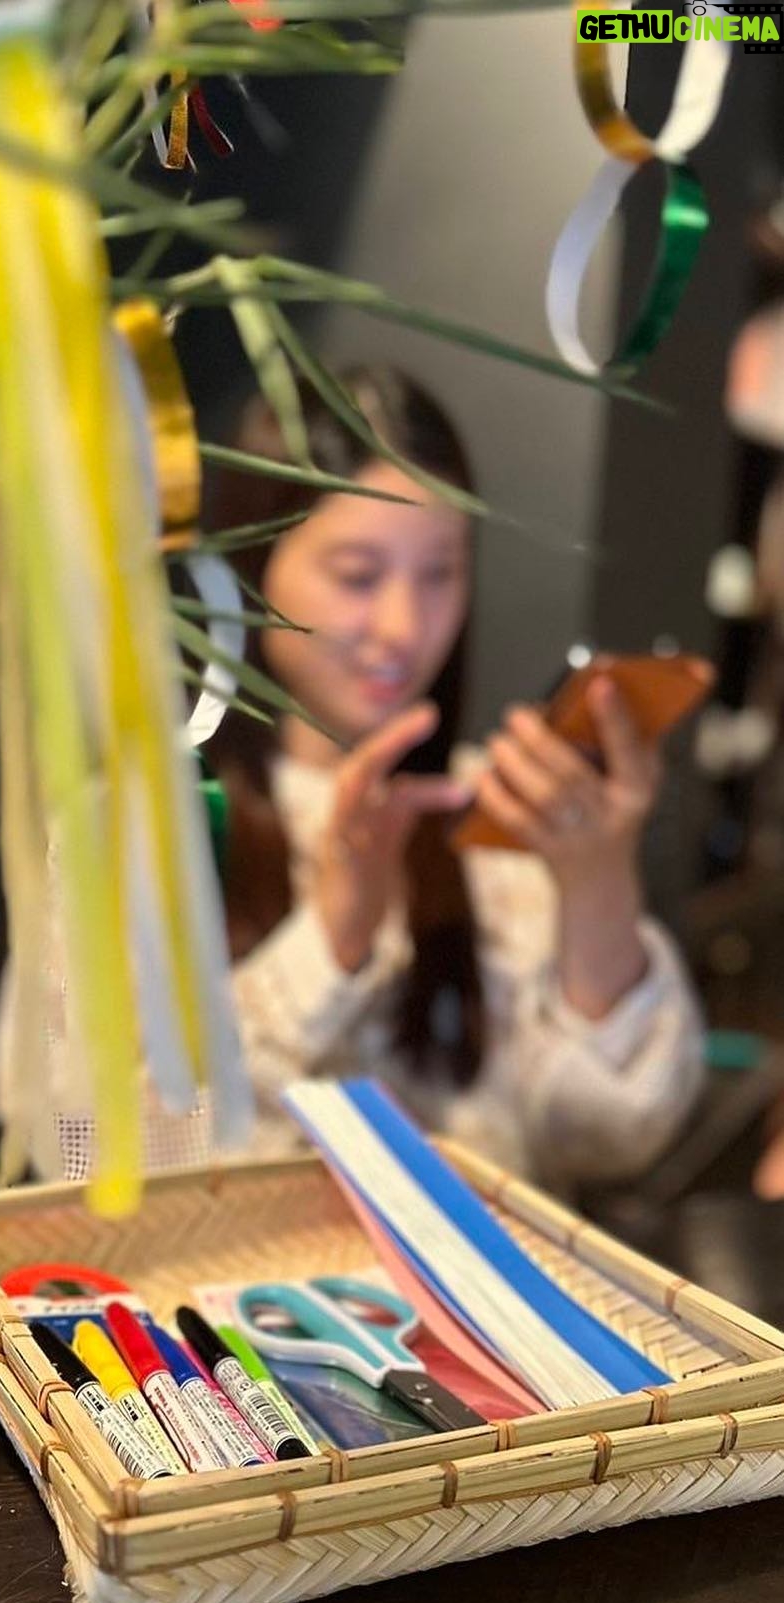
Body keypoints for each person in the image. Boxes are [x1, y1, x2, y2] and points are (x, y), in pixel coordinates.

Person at [210, 365, 704, 1188]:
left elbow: (607, 1142)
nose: (404, 626)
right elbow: (100, 1147)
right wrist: (333, 934)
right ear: (253, 566)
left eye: (439, 572)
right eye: (358, 575)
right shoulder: (152, 820)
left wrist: (596, 879)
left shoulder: (495, 809)